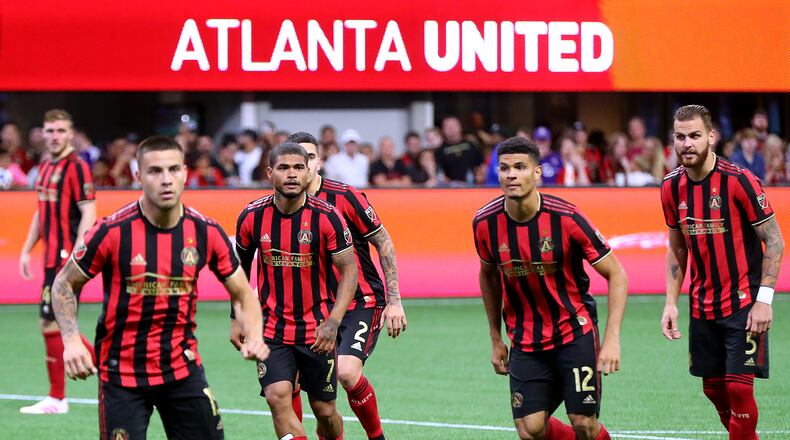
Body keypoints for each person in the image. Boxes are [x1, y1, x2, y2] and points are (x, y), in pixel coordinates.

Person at [50, 135, 268, 439]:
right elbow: (63, 284)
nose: (166, 179)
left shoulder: (205, 231)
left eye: (173, 169)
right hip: (121, 375)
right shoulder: (111, 231)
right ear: (138, 176)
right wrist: (71, 340)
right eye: (155, 171)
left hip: (182, 370)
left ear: (185, 173)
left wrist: (255, 335)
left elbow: (243, 293)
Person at [474, 136, 627, 440]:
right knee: (529, 430)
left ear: (537, 173)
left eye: (520, 167)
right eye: (504, 168)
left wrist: (611, 341)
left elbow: (617, 275)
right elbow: (488, 276)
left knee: (583, 422)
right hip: (526, 340)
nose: (512, 175)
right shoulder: (484, 222)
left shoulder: (567, 218)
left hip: (574, 333)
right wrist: (495, 339)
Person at [660, 105, 784, 440]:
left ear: (711, 137)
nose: (687, 144)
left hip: (743, 304)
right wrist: (671, 303)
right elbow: (677, 248)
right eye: (680, 136)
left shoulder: (739, 181)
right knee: (714, 390)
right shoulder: (670, 188)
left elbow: (774, 240)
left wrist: (764, 300)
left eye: (695, 136)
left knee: (739, 390)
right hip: (702, 306)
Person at [234, 142, 360, 440]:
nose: (291, 174)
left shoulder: (327, 216)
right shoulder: (251, 216)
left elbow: (349, 271)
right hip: (271, 329)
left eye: (298, 168)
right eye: (283, 168)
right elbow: (237, 272)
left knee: (325, 411)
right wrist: (236, 317)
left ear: (308, 172)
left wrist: (333, 322)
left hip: (316, 331)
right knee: (278, 397)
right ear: (269, 173)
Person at [18, 109, 97, 414]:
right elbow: (41, 211)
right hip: (51, 258)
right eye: (50, 131)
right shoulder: (46, 165)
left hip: (67, 260)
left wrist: (76, 257)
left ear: (70, 133)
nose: (54, 136)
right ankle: (111, 367)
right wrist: (26, 249)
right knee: (55, 323)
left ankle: (57, 397)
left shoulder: (77, 167)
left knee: (52, 322)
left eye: (60, 131)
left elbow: (88, 213)